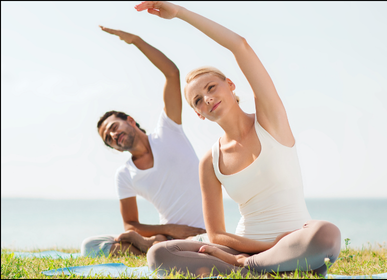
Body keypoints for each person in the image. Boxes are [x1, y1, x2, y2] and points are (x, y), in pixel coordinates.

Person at [135, 1, 342, 277]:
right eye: (198, 100)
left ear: (230, 85)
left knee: (326, 234)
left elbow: (240, 45)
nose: (207, 98)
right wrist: (257, 250)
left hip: (295, 243)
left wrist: (181, 13)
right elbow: (217, 235)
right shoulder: (211, 161)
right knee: (160, 253)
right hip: (244, 248)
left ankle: (252, 268)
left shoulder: (269, 120)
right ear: (198, 113)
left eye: (212, 87)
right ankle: (267, 268)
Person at [80, 26, 206, 258]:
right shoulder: (126, 175)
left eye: (113, 128)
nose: (113, 136)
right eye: (108, 139)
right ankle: (154, 244)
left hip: (203, 233)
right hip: (170, 235)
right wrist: (170, 229)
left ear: (130, 120)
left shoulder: (169, 130)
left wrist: (136, 40)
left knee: (192, 249)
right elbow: (130, 224)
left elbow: (172, 73)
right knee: (89, 246)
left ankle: (151, 246)